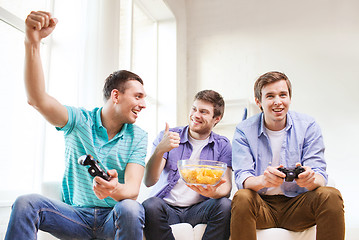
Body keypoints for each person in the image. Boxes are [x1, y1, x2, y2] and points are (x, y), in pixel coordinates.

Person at [5, 11, 148, 240]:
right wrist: (32, 42)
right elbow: (37, 98)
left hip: (113, 218)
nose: (143, 104)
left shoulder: (138, 136)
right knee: (26, 203)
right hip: (74, 218)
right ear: (116, 95)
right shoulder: (79, 121)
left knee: (130, 207)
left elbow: (131, 189)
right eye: (138, 96)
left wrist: (114, 189)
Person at [230, 71, 345, 240]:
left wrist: (310, 179)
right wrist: (263, 180)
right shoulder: (244, 131)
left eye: (283, 95)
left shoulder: (308, 126)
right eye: (270, 96)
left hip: (298, 205)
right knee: (242, 197)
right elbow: (242, 177)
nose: (278, 102)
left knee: (331, 195)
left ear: (289, 98)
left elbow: (320, 173)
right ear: (258, 101)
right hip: (262, 206)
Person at [142, 90, 232, 240]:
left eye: (203, 112)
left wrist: (213, 193)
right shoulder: (169, 136)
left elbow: (226, 188)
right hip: (167, 207)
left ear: (217, 118)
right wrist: (160, 150)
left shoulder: (222, 145)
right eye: (194, 109)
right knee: (150, 205)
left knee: (225, 205)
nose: (196, 115)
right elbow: (149, 181)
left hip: (199, 210)